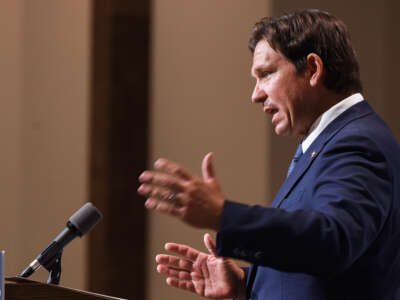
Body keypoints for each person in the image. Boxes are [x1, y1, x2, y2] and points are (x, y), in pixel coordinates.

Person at [138, 9, 400, 300]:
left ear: (312, 69)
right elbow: (318, 267)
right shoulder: (331, 141)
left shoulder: (357, 142)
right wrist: (245, 283)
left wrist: (224, 215)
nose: (256, 94)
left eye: (266, 74)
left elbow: (332, 243)